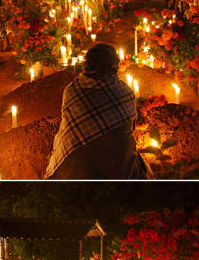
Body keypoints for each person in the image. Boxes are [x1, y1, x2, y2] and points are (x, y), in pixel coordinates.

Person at [45, 44, 148, 179]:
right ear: (115, 67)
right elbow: (131, 128)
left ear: (87, 65)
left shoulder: (71, 90)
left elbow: (67, 128)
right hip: (119, 171)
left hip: (76, 172)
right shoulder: (124, 92)